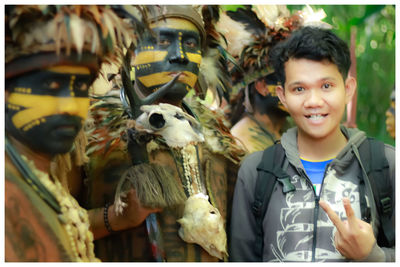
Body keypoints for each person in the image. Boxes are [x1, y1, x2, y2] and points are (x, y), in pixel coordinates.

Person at [80, 5, 244, 262]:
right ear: (132, 52)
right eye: (162, 40)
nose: (179, 55)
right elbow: (51, 223)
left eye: (190, 44)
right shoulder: (90, 132)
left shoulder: (220, 139)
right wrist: (116, 217)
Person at [229, 26, 395, 262]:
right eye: (299, 89)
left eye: (326, 86)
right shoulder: (256, 171)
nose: (314, 101)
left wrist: (372, 256)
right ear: (282, 96)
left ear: (348, 89)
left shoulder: (387, 165)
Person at [4, 5, 132, 261]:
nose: (72, 106)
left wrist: (119, 217)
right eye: (51, 86)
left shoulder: (41, 181)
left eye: (81, 88)